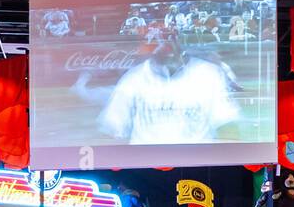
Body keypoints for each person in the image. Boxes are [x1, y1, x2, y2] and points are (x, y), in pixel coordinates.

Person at [97, 36, 240, 144]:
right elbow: (113, 128)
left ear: (183, 54)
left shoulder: (208, 74)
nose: (168, 66)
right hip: (147, 166)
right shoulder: (133, 79)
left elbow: (226, 123)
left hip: (197, 163)